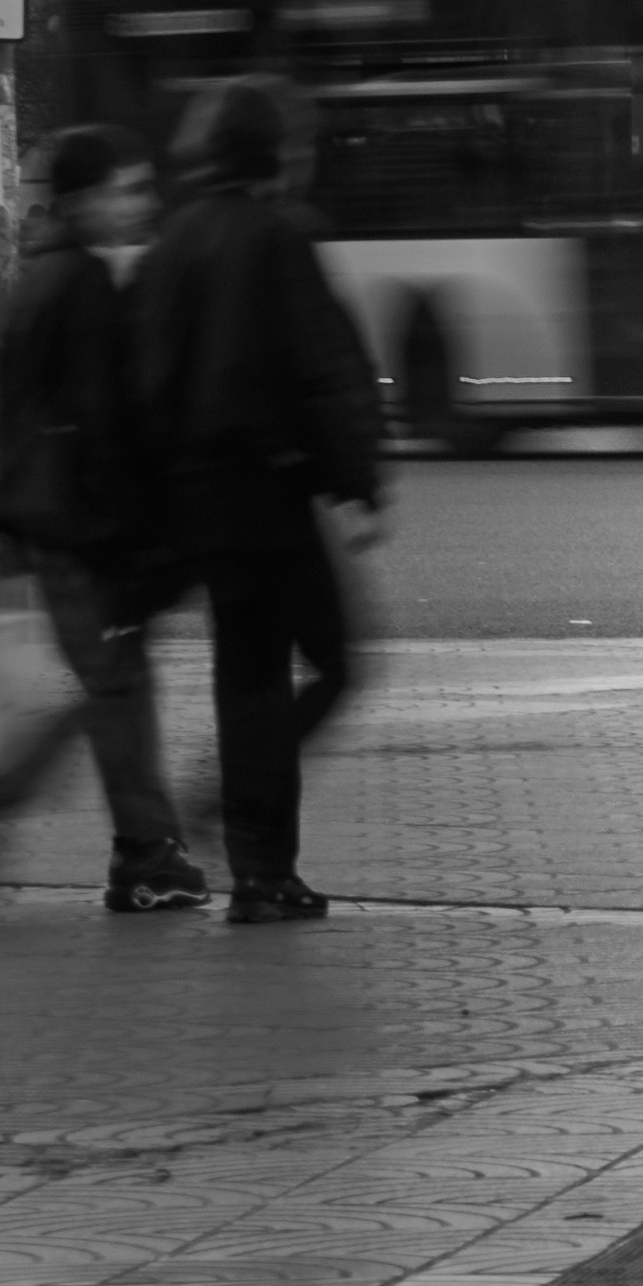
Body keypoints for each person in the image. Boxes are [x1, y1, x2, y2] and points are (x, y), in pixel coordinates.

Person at [0, 125, 208, 918]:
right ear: (83, 199)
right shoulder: (81, 286)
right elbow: (99, 428)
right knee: (109, 688)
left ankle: (145, 851)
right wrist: (137, 538)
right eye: (125, 189)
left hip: (59, 527)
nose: (140, 203)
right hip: (85, 533)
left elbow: (27, 415)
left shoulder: (47, 276)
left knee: (113, 688)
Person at [134, 79, 386, 926]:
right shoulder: (281, 235)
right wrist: (360, 481)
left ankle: (257, 869)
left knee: (245, 677)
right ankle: (251, 841)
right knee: (336, 665)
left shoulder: (174, 240)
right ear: (276, 152)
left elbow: (150, 382)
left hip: (202, 503)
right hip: (270, 496)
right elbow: (324, 368)